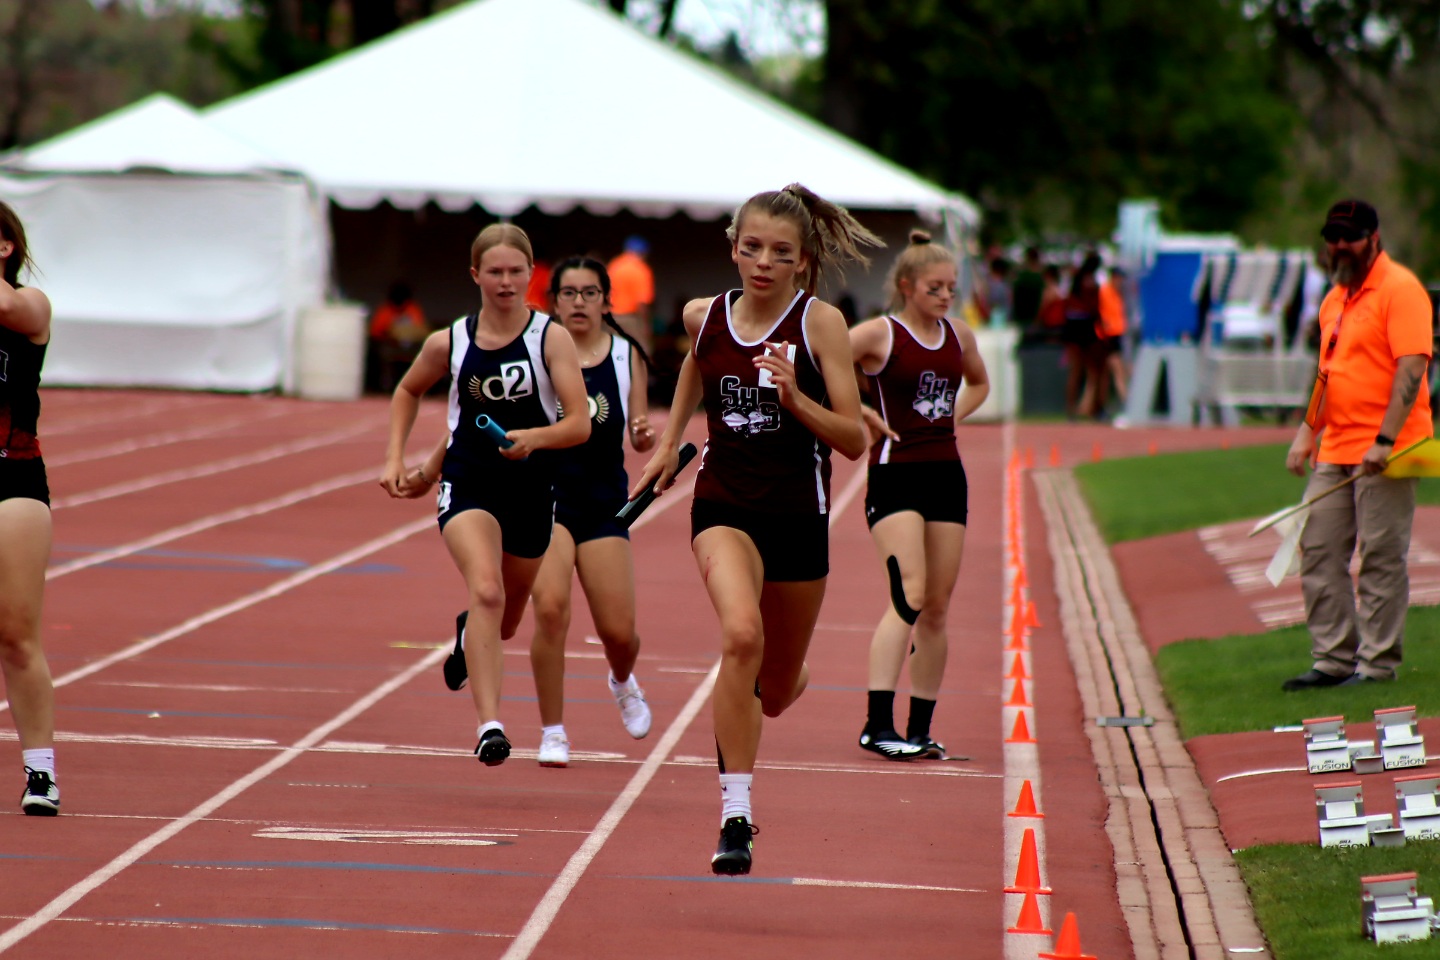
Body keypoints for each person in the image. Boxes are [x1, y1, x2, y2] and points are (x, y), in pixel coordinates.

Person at [631, 183, 878, 875]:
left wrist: (796, 397)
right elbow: (696, 363)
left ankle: (783, 679)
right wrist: (669, 438)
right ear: (733, 248)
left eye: (780, 252)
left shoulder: (819, 323)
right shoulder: (702, 315)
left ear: (802, 261)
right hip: (725, 505)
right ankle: (735, 815)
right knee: (740, 633)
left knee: (771, 691)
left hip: (799, 516)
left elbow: (854, 440)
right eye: (751, 248)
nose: (763, 262)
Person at [381, 223, 591, 765]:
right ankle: (490, 726)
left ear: (531, 274)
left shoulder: (551, 338)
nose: (505, 281)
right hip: (468, 482)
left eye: (515, 271)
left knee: (507, 618)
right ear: (475, 275)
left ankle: (466, 634)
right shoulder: (449, 340)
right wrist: (395, 458)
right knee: (488, 592)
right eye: (494, 272)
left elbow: (579, 425)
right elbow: (408, 389)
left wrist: (535, 439)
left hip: (531, 487)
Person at [1281, 199, 1434, 690]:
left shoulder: (1401, 290)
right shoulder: (1334, 300)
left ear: (1374, 237)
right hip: (1337, 447)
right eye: (1333, 236)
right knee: (1319, 549)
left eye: (1349, 236)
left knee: (1381, 556)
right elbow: (1327, 373)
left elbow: (1411, 368)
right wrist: (1308, 431)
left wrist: (1385, 440)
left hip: (1389, 449)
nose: (1339, 245)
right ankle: (1332, 659)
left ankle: (1376, 665)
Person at [849, 231, 990, 762]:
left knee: (936, 607)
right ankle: (876, 725)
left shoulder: (959, 337)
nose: (946, 296)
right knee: (909, 592)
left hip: (945, 476)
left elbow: (978, 384)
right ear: (907, 286)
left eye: (951, 288)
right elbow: (821, 361)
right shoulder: (880, 335)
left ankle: (920, 728)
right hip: (895, 474)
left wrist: (950, 415)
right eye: (935, 287)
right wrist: (859, 411)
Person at [527, 256, 657, 767]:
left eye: (589, 293)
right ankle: (553, 731)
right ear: (553, 302)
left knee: (620, 634)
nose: (579, 302)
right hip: (547, 502)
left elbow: (639, 431)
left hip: (604, 507)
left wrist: (644, 435)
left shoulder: (626, 357)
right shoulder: (539, 356)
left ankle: (621, 679)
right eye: (569, 293)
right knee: (551, 610)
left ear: (607, 301)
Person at [0, 201, 59, 815]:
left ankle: (40, 772)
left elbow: (9, 308)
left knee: (16, 635)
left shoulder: (30, 306)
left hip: (13, 476)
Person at [367, 281, 430, 394]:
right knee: (381, 353)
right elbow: (375, 332)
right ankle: (385, 386)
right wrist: (389, 333)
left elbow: (419, 330)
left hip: (411, 348)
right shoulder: (385, 310)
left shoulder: (412, 309)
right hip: (389, 347)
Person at [608, 236, 656, 356]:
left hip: (610, 317)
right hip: (630, 318)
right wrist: (646, 325)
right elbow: (642, 302)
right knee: (639, 354)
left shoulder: (614, 265)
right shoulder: (640, 269)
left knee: (614, 353)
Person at [1011, 246, 1045, 327]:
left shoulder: (1021, 275)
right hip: (1035, 316)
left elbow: (1014, 295)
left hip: (1021, 315)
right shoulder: (1041, 277)